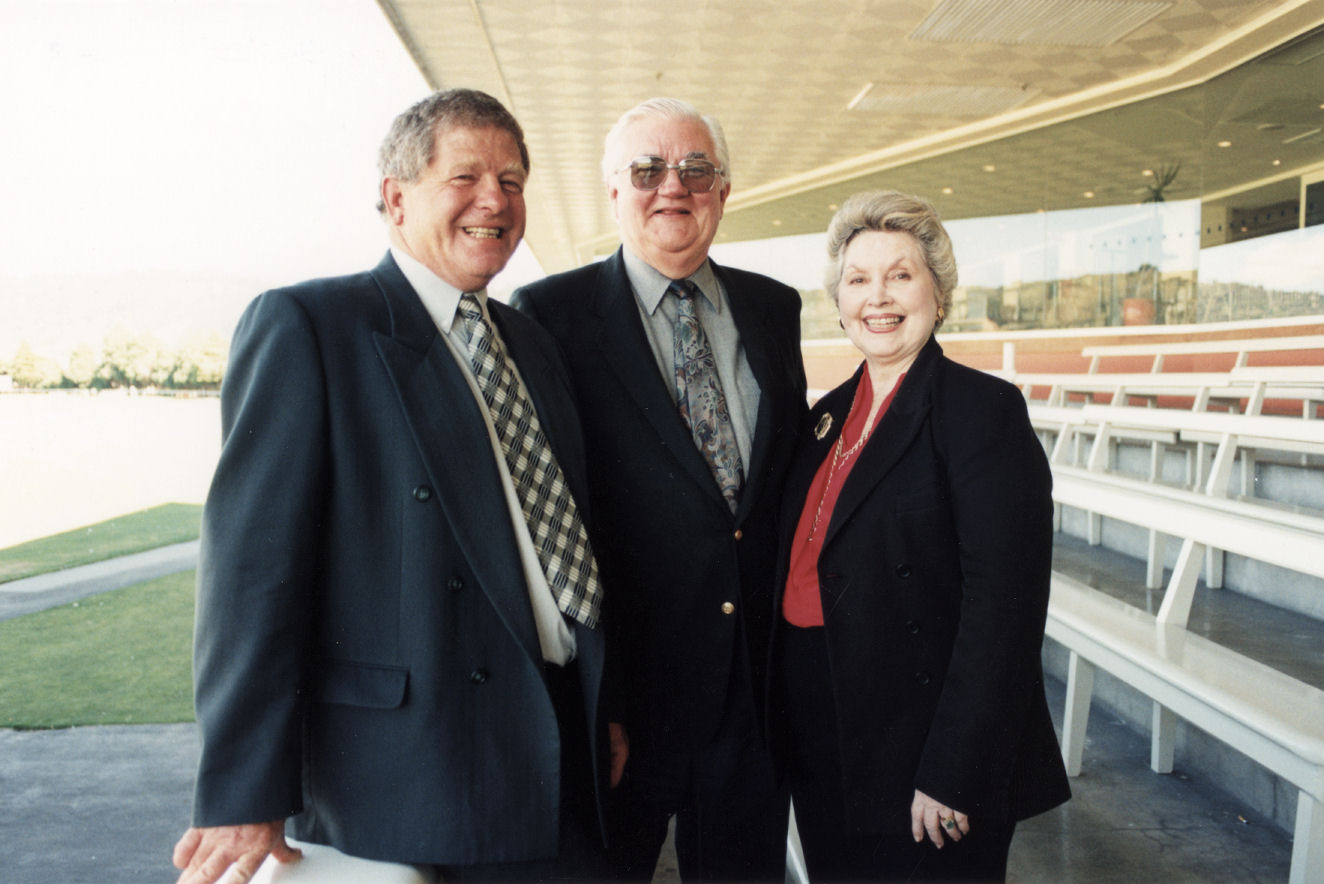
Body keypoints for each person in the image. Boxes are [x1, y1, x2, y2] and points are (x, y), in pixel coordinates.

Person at [172, 88, 616, 884]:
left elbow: (564, 542)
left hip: (556, 745)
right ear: (395, 196)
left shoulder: (529, 342)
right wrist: (244, 789)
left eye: (513, 181)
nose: (496, 200)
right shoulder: (310, 327)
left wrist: (597, 702)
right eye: (467, 177)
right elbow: (252, 577)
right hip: (409, 777)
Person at [512, 98, 807, 881]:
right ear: (614, 192)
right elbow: (544, 520)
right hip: (625, 709)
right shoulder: (548, 316)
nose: (672, 187)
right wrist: (588, 698)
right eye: (646, 171)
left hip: (752, 702)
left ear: (724, 191)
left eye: (695, 170)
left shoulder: (775, 309)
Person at [772, 190, 1070, 881]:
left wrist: (953, 771)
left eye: (900, 275)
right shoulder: (827, 416)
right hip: (828, 730)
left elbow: (1005, 607)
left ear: (938, 293)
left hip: (922, 750)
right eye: (858, 279)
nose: (877, 297)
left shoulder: (980, 411)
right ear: (840, 302)